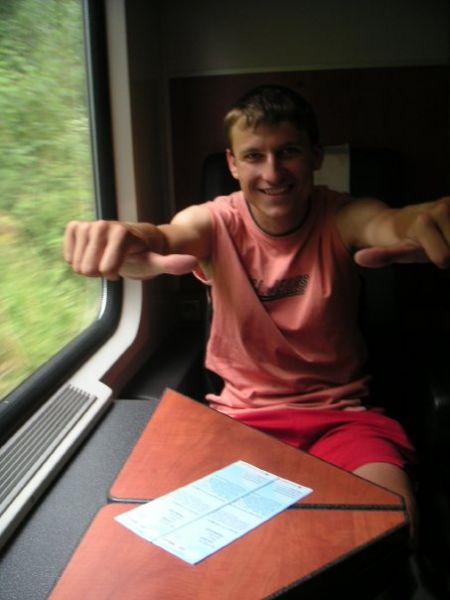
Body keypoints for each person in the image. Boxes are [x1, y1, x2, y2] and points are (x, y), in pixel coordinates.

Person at [64, 85, 450, 539]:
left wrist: (414, 224)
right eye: (253, 156)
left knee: (388, 529)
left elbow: (385, 223)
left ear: (315, 156)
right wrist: (131, 238)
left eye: (288, 152)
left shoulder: (342, 215)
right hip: (242, 422)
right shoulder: (214, 222)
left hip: (341, 418)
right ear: (233, 163)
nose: (272, 172)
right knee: (222, 546)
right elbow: (165, 236)